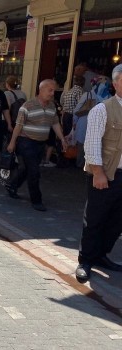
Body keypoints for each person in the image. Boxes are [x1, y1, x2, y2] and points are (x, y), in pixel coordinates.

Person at [75, 64, 122, 283]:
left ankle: (101, 255)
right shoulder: (102, 109)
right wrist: (98, 172)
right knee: (94, 218)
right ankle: (85, 260)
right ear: (115, 83)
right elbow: (92, 144)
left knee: (117, 220)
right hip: (105, 173)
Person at [4, 79, 68, 212]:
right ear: (41, 90)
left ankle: (12, 185)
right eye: (50, 90)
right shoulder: (28, 106)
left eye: (54, 91)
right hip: (26, 142)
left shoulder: (51, 106)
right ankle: (36, 200)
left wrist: (62, 139)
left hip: (40, 144)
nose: (52, 93)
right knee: (34, 171)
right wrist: (12, 143)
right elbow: (18, 126)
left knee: (27, 169)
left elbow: (55, 123)